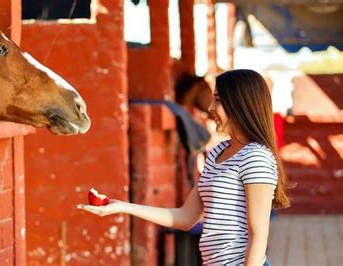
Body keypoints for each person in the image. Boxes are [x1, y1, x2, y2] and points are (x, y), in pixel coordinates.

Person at [77, 69, 290, 265]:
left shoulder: (255, 156)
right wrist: (123, 206)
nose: (210, 108)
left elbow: (259, 233)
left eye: (217, 101)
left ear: (239, 104)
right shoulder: (217, 152)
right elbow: (185, 217)